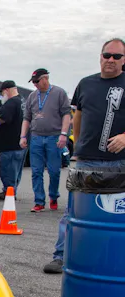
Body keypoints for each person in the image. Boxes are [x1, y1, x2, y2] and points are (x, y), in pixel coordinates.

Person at [43, 39, 125, 273]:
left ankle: (115, 262)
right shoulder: (86, 83)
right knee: (74, 212)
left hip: (121, 163)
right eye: (107, 55)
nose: (111, 60)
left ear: (124, 60)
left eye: (117, 56)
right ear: (100, 56)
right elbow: (77, 116)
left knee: (117, 216)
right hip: (87, 161)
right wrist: (78, 147)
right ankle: (61, 256)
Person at [20, 68, 72, 213]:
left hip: (54, 137)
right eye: (33, 82)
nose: (35, 84)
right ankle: (39, 201)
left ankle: (53, 196)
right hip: (36, 137)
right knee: (36, 171)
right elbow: (26, 118)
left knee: (54, 170)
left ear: (45, 79)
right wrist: (23, 136)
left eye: (37, 81)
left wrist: (63, 134)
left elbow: (66, 114)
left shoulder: (59, 93)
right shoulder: (32, 96)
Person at [0, 80, 27, 199]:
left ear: (7, 90)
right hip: (20, 143)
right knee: (16, 171)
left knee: (8, 171)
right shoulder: (22, 101)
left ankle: (9, 192)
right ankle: (12, 190)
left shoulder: (11, 103)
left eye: (3, 92)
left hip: (10, 144)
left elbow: (0, 119)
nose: (3, 95)